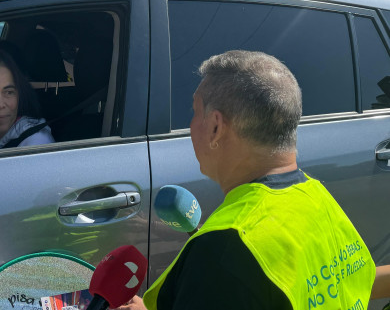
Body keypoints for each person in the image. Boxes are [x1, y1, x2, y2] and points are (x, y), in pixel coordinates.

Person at [116, 50, 376, 310]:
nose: (191, 125)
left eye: (195, 112)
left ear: (216, 127)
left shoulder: (223, 251)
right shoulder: (317, 197)